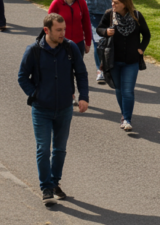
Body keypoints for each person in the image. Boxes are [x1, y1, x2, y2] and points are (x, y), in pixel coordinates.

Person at [17, 14, 89, 206]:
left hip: (65, 108)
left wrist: (84, 97)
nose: (63, 34)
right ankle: (46, 188)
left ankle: (55, 182)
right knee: (43, 148)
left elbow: (81, 73)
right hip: (41, 109)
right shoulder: (33, 50)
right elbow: (22, 77)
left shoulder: (70, 47)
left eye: (64, 29)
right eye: (59, 30)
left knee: (60, 149)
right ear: (47, 30)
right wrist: (36, 94)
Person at [97, 0, 150, 132]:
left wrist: (141, 48)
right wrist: (106, 31)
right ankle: (124, 114)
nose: (112, 4)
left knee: (128, 91)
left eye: (116, 2)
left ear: (124, 4)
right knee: (119, 89)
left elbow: (146, 35)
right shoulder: (109, 14)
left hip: (131, 62)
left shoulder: (137, 16)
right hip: (113, 60)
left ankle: (127, 119)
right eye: (112, 1)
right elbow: (99, 29)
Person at [79, 0, 123, 84]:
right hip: (94, 15)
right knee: (99, 43)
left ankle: (112, 68)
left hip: (112, 14)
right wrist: (81, 14)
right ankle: (101, 70)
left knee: (113, 42)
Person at [48, 0, 92, 86]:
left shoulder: (81, 1)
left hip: (78, 44)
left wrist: (88, 42)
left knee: (77, 69)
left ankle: (73, 92)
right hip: (61, 44)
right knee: (65, 71)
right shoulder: (56, 4)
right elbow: (48, 25)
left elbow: (86, 23)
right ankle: (70, 94)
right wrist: (49, 43)